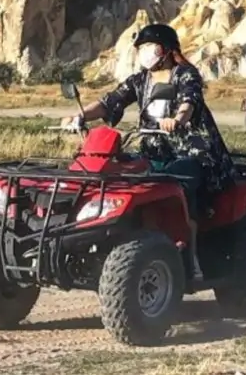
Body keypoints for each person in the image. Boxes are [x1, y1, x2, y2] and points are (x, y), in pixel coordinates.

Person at [62, 23, 234, 280]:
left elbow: (190, 100)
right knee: (120, 177)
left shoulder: (185, 74)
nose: (143, 52)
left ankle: (193, 257)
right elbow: (111, 101)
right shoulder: (140, 80)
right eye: (140, 48)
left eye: (149, 47)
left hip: (193, 154)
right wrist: (79, 115)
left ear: (165, 50)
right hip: (154, 154)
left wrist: (178, 118)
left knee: (180, 187)